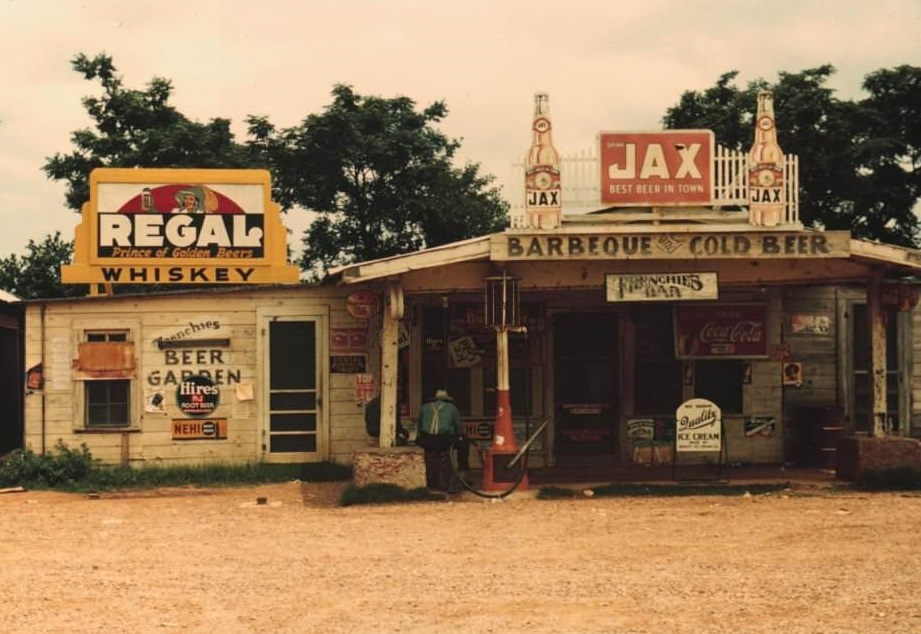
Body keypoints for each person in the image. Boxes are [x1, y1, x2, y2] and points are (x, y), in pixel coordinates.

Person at [416, 389, 464, 492]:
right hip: (445, 439)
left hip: (428, 438)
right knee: (450, 458)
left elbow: (419, 425)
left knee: (430, 460)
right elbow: (458, 427)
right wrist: (460, 436)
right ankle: (458, 475)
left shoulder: (424, 408)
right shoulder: (452, 408)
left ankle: (432, 484)